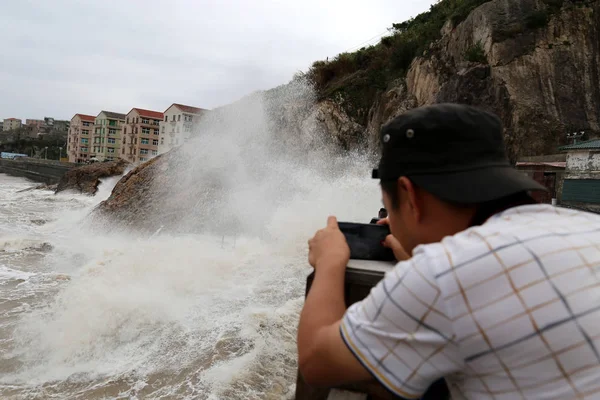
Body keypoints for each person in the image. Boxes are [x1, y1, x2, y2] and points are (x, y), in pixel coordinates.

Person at [298, 103, 600, 399]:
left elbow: (316, 361)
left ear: (409, 195)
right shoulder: (588, 226)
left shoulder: (440, 274)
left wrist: (329, 261)